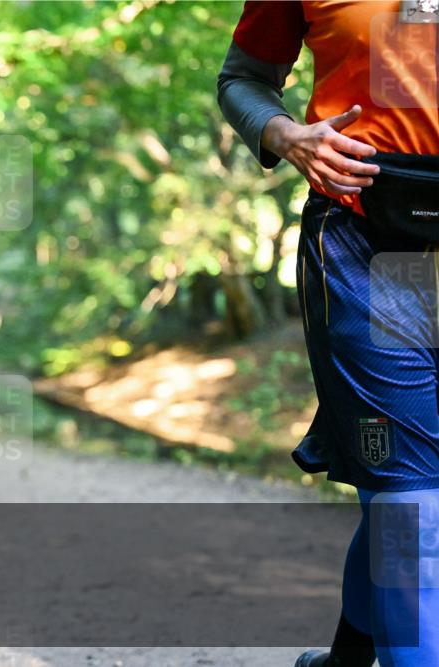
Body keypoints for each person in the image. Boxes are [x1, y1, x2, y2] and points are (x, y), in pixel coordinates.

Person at [218, 3, 438, 666]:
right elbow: (243, 79)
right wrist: (287, 136)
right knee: (409, 501)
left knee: (407, 497)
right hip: (367, 246)